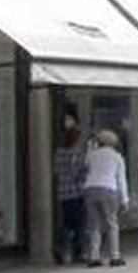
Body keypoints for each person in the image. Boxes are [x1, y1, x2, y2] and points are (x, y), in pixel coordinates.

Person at [82, 129, 129, 268]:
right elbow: (121, 179)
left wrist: (91, 147)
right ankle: (115, 255)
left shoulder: (91, 155)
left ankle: (94, 256)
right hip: (109, 188)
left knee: (94, 224)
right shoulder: (117, 157)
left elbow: (86, 166)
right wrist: (125, 199)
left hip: (90, 188)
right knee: (112, 223)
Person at [53, 113, 87, 264]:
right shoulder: (75, 153)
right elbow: (76, 173)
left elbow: (56, 171)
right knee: (79, 223)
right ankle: (77, 250)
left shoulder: (59, 152)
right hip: (76, 192)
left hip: (62, 192)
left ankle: (60, 246)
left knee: (66, 222)